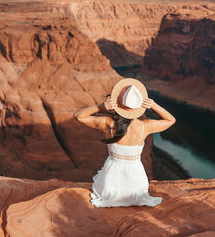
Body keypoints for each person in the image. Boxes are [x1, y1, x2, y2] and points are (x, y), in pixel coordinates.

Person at [73, 78, 176, 207]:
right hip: (136, 186)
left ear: (119, 104)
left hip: (110, 184)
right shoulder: (145, 126)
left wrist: (100, 107)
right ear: (139, 106)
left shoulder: (108, 124)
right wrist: (153, 105)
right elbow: (171, 120)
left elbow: (78, 115)